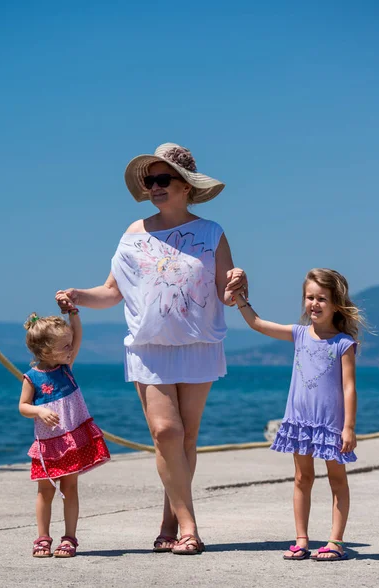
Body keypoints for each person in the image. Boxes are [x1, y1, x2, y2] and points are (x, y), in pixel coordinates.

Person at [55, 142, 247, 555]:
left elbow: (224, 293)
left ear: (186, 186)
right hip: (148, 347)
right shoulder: (133, 233)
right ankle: (191, 526)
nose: (154, 187)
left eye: (164, 179)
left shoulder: (211, 232)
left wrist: (235, 286)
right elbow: (111, 291)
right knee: (165, 432)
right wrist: (77, 295)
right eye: (150, 180)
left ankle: (169, 521)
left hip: (198, 344)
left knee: (186, 439)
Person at [233, 268, 365, 561]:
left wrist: (349, 427)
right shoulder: (299, 334)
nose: (314, 304)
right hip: (300, 422)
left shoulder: (343, 343)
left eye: (322, 298)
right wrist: (240, 299)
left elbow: (349, 389)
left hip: (331, 425)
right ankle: (301, 539)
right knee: (302, 478)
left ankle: (334, 541)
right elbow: (257, 324)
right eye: (310, 297)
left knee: (337, 480)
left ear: (335, 304)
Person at [19, 305, 110, 558]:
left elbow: (77, 336)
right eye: (65, 346)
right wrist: (39, 411)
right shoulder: (31, 378)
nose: (71, 349)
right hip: (48, 443)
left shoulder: (66, 367)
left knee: (70, 488)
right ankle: (42, 537)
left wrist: (73, 314)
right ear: (47, 350)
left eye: (70, 346)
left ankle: (69, 537)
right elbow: (23, 406)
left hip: (71, 439)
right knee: (45, 491)